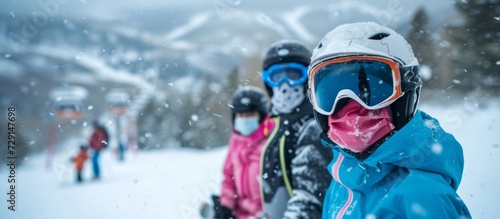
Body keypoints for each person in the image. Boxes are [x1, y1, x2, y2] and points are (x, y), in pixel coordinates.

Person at [307, 22, 472, 218]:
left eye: (368, 90)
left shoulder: (425, 196)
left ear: (406, 91)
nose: (350, 106)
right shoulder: (341, 182)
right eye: (330, 92)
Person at [258, 39, 332, 219]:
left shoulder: (314, 127)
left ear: (308, 80)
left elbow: (309, 201)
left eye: (293, 76)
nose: (285, 86)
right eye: (276, 78)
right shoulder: (279, 125)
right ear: (269, 84)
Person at [216, 86, 275, 219]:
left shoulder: (271, 141)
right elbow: (228, 177)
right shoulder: (235, 142)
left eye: (250, 114)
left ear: (261, 115)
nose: (244, 119)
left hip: (265, 214)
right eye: (240, 115)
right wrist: (226, 205)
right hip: (239, 214)